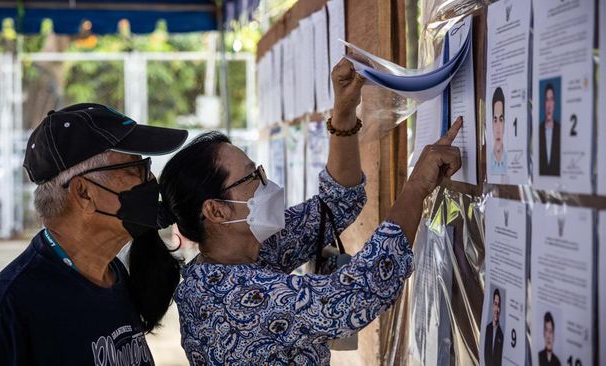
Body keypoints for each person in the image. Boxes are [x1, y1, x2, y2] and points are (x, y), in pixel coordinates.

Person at [149, 59, 463, 365]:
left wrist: (343, 114)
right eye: (252, 177)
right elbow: (353, 296)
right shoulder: (230, 296)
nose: (266, 182)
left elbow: (336, 204)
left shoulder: (244, 254)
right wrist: (417, 187)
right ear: (216, 210)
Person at [0, 104, 188, 365]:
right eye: (134, 170)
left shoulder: (111, 274)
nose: (150, 179)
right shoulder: (9, 313)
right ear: (83, 193)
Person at [539, 83, 561, 176]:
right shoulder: (538, 131)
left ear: (554, 103)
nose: (549, 105)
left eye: (551, 99)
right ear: (544, 103)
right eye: (547, 100)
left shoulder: (560, 130)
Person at [484, 288, 504, 366]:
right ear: (492, 305)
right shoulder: (486, 330)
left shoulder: (501, 335)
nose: (497, 309)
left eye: (499, 305)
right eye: (495, 304)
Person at [490, 87, 507, 175]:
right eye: (495, 120)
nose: (497, 129)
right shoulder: (487, 162)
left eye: (501, 120)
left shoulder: (510, 161)